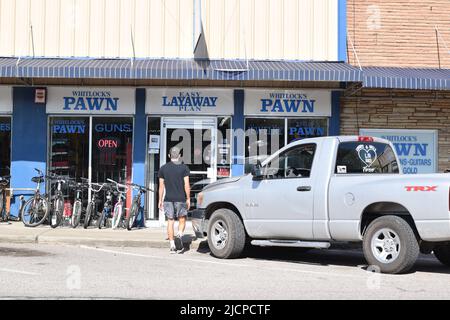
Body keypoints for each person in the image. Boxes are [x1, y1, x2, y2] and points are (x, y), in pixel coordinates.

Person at [158, 147, 190, 253]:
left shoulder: (163, 168)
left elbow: (161, 186)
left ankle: (172, 246)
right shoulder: (184, 168)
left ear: (169, 156)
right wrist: (188, 198)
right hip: (180, 198)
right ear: (179, 156)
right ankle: (179, 235)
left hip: (168, 199)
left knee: (170, 221)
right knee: (182, 219)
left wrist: (160, 200)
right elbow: (187, 184)